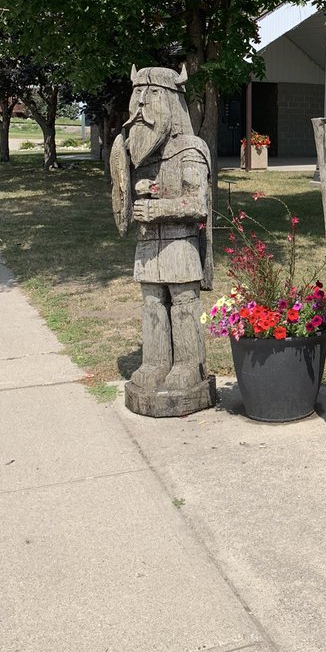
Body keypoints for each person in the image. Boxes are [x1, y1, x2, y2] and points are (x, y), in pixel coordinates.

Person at [110, 65, 213, 400]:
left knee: (184, 303)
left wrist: (158, 208)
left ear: (170, 99)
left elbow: (198, 203)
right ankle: (155, 362)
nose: (141, 104)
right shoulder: (136, 150)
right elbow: (123, 192)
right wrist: (139, 191)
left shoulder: (190, 148)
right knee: (152, 302)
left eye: (151, 94)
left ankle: (187, 363)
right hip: (147, 243)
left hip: (179, 244)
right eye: (137, 94)